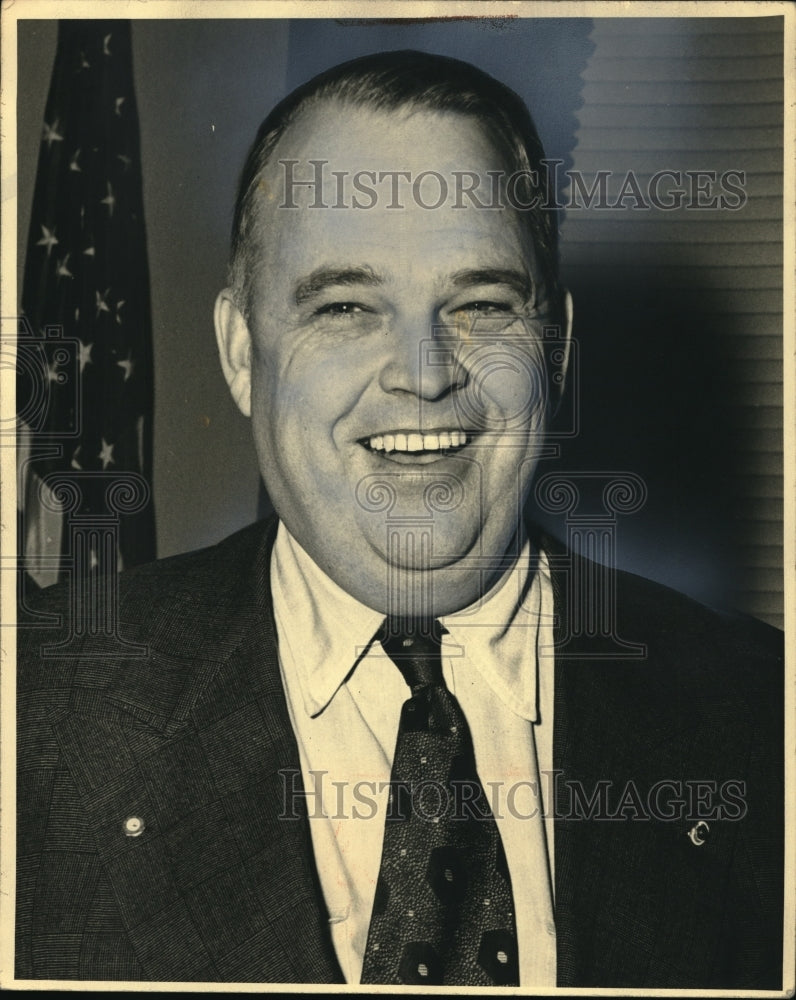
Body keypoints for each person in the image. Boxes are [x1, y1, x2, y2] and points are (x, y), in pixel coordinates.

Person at [16, 50, 783, 988]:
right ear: (241, 352)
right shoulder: (37, 719)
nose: (424, 374)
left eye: (482, 305)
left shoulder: (759, 715)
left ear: (558, 348)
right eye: (345, 306)